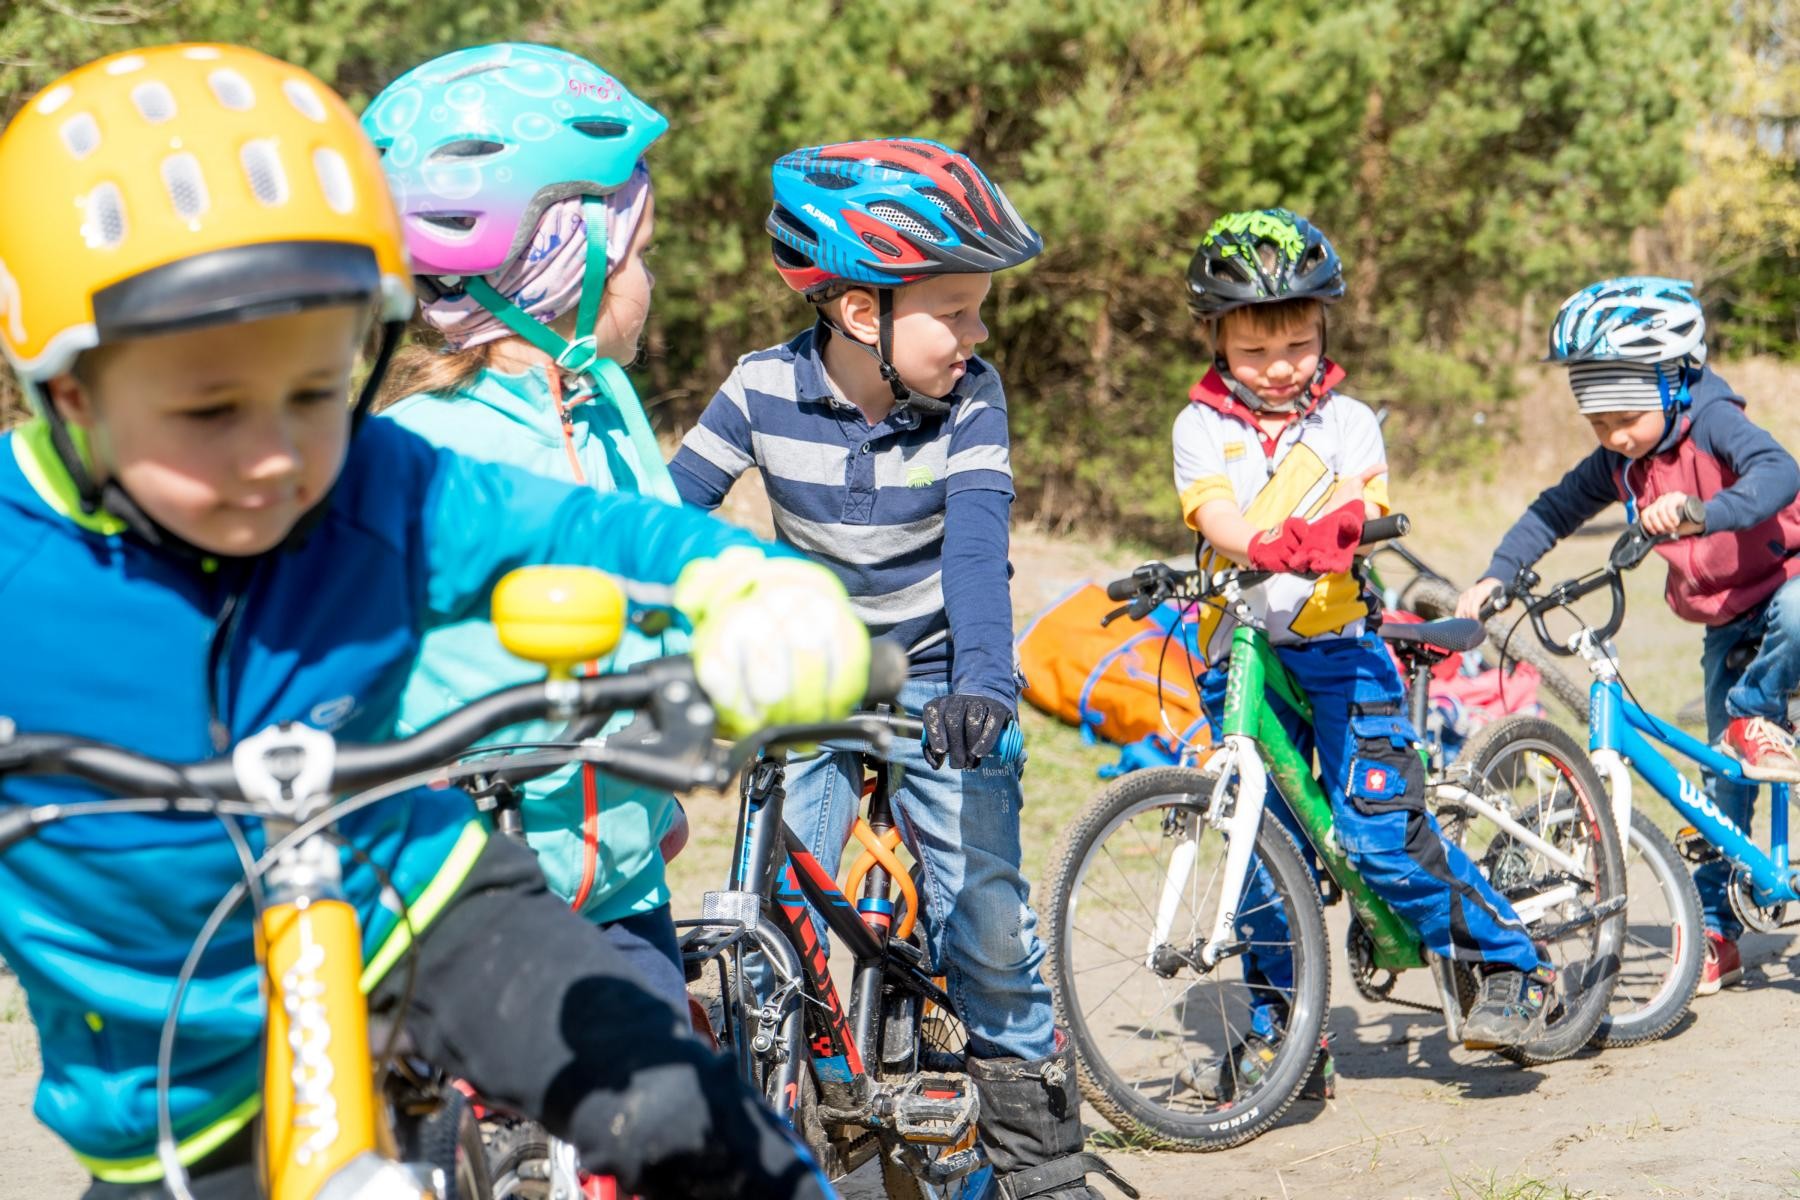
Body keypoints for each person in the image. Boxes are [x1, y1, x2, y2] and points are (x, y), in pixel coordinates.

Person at [0, 44, 867, 1198]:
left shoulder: (368, 479)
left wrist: (753, 586)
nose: (275, 457)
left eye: (315, 392)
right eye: (210, 409)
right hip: (172, 1079)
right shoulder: (22, 567)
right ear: (70, 392)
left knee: (686, 1115)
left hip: (413, 899)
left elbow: (580, 530)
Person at [670, 139, 1131, 1200]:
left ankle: (1039, 1158)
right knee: (775, 908)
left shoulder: (974, 398)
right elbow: (662, 515)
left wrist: (984, 681)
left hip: (939, 676)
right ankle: (790, 1109)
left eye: (977, 309)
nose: (978, 333)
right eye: (956, 309)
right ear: (856, 311)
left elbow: (976, 548)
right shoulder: (757, 389)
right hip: (814, 676)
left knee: (984, 919)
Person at [1175, 209, 1553, 1080]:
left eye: (1299, 344)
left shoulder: (1346, 420)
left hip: (1343, 650)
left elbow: (1360, 508)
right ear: (1218, 342)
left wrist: (1335, 530)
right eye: (1255, 351)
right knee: (1264, 858)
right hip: (1241, 654)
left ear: (1322, 331)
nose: (1280, 368)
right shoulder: (1200, 426)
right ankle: (1289, 1032)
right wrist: (1256, 546)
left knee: (1378, 837)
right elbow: (1213, 512)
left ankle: (1512, 965)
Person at [364, 43, 693, 1018]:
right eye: (639, 255)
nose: (648, 279)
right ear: (566, 264)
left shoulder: (611, 407)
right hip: (456, 897)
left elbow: (664, 583)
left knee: (679, 1127)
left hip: (625, 892)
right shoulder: (414, 448)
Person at [1457, 275, 1800, 997]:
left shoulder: (1713, 419)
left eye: (1626, 416)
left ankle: (1756, 717)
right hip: (1723, 620)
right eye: (1597, 421)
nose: (1613, 436)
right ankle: (1715, 930)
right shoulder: (1622, 460)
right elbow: (1555, 509)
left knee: (1792, 624)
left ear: (1675, 381)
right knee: (1715, 787)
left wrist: (1705, 511)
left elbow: (1779, 471)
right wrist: (1497, 575)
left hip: (1787, 590)